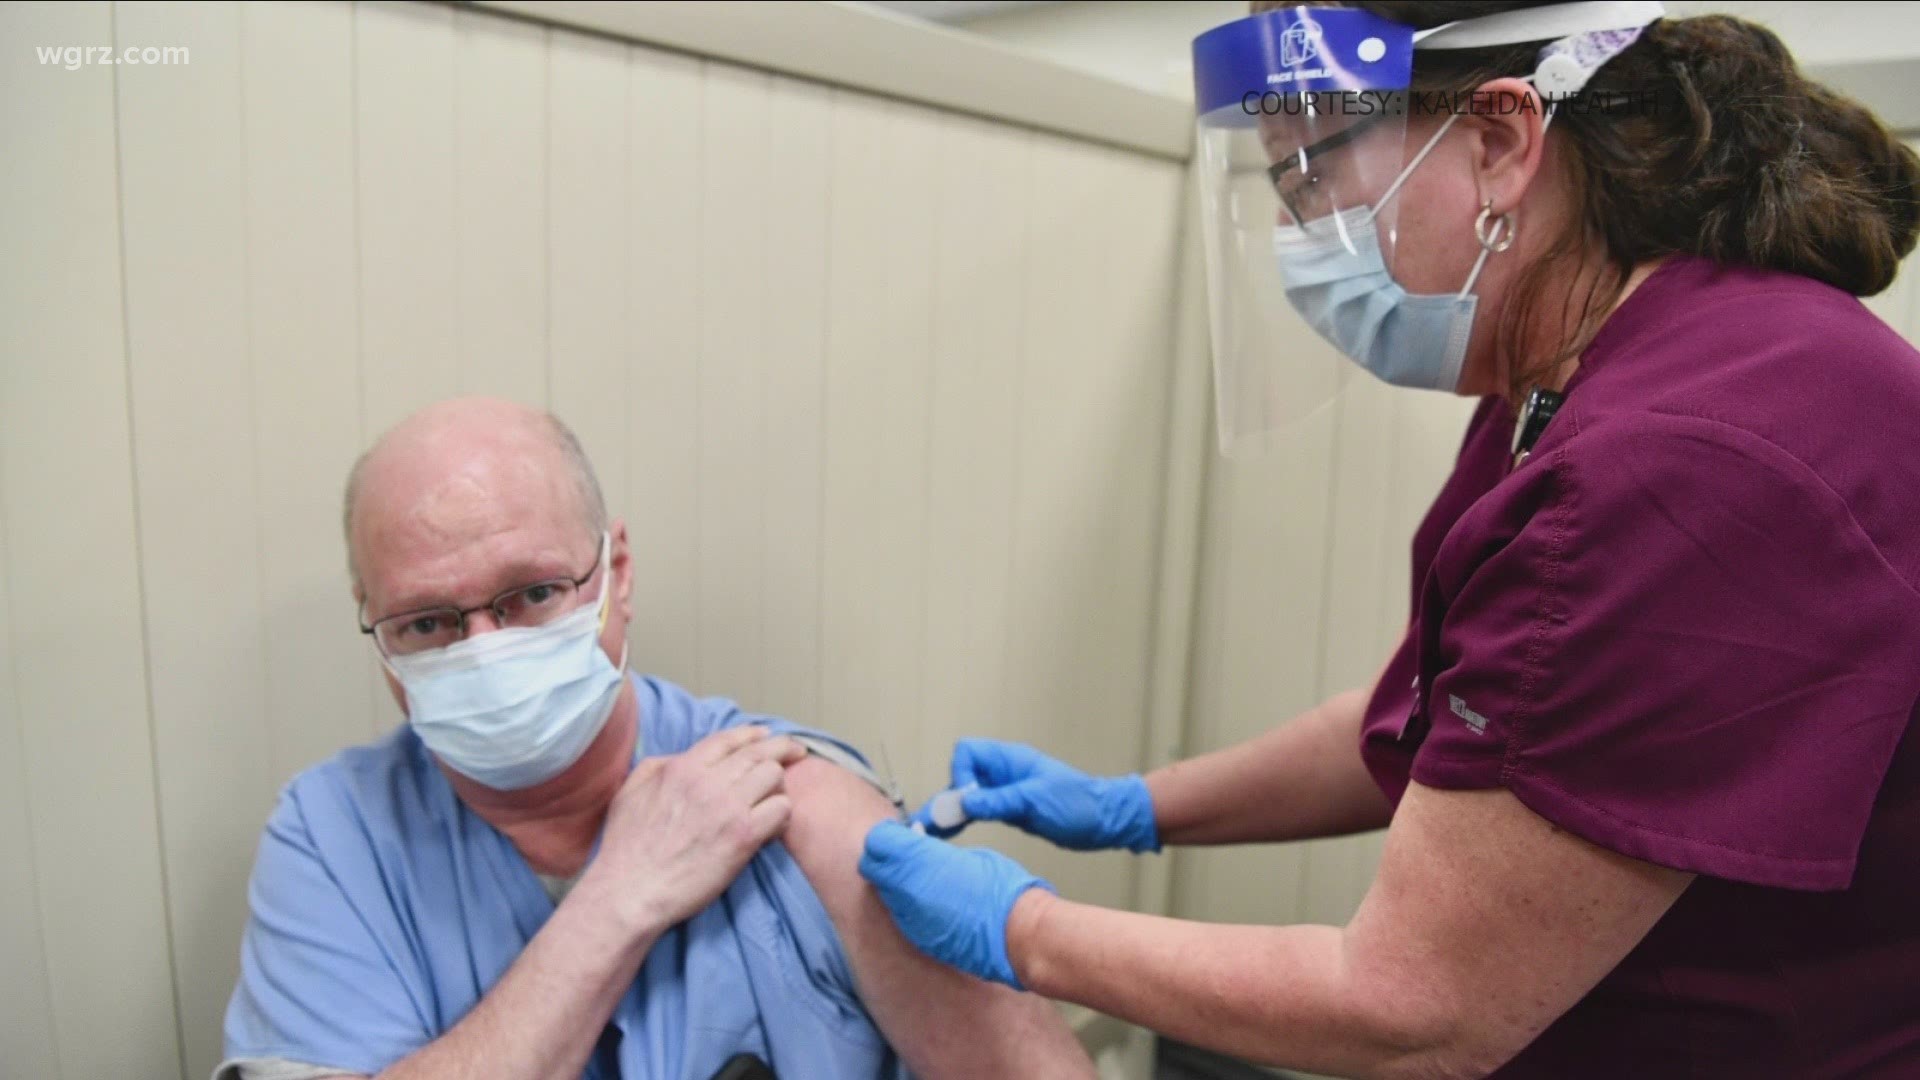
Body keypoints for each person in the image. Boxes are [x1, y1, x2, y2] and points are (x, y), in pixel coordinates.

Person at [858, 2, 1920, 1077]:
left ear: (1501, 141)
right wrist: (1136, 806)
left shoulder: (1681, 467)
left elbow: (1412, 1009)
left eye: (1311, 179)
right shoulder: (1576, 377)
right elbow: (1459, 724)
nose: (1299, 240)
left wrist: (1024, 933)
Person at [216, 397, 1093, 1080]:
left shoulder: (791, 798)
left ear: (617, 573)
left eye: (530, 594)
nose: (486, 650)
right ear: (376, 630)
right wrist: (619, 898)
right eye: (427, 623)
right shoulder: (331, 837)